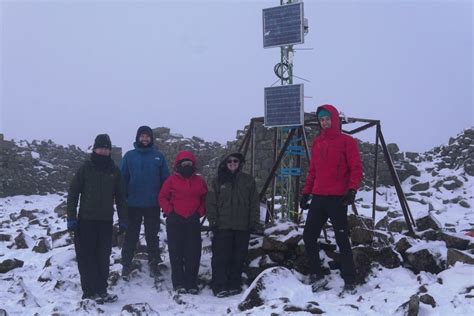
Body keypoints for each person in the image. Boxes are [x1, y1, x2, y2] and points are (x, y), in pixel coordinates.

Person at [300, 104, 363, 294]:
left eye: (327, 118)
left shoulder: (347, 141)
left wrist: (352, 190)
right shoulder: (318, 143)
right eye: (322, 119)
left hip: (338, 198)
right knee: (308, 236)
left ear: (334, 119)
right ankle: (318, 275)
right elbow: (313, 171)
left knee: (342, 238)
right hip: (319, 197)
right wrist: (306, 193)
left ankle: (350, 280)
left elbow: (356, 168)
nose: (324, 122)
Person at [67, 134, 128, 303]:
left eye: (107, 148)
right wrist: (71, 217)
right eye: (101, 148)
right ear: (95, 149)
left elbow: (121, 197)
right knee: (86, 257)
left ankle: (101, 290)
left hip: (105, 222)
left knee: (103, 256)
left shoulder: (114, 171)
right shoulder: (85, 169)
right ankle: (88, 291)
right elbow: (73, 193)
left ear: (109, 151)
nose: (104, 151)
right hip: (86, 221)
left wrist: (124, 219)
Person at [206, 152, 260, 298]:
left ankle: (233, 285)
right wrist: (213, 221)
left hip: (242, 226)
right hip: (223, 226)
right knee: (220, 257)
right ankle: (219, 286)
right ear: (225, 163)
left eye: (235, 161)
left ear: (239, 163)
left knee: (238, 257)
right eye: (229, 161)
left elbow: (254, 202)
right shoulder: (217, 181)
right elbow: (211, 203)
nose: (232, 163)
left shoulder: (248, 180)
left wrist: (254, 221)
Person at [120, 126, 170, 280]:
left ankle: (154, 263)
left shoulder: (158, 157)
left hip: (152, 204)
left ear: (151, 139)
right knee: (131, 235)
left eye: (147, 136)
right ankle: (126, 264)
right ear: (137, 138)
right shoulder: (129, 156)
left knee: (152, 236)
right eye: (142, 136)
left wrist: (165, 202)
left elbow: (166, 181)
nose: (145, 139)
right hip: (133, 204)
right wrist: (123, 201)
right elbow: (122, 179)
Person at [158, 151, 208, 294]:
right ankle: (178, 283)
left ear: (193, 165)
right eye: (184, 164)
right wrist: (169, 210)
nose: (186, 166)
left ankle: (191, 283)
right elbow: (162, 197)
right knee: (176, 251)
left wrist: (200, 212)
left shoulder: (199, 181)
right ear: (178, 165)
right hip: (175, 219)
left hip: (192, 219)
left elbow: (205, 198)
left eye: (189, 164)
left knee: (193, 252)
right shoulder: (171, 180)